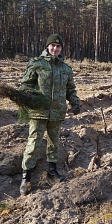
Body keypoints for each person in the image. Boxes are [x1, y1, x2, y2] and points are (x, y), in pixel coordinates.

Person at [18, 34, 80, 196]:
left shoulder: (65, 69)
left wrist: (75, 102)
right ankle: (26, 177)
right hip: (38, 112)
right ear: (47, 47)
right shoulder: (36, 64)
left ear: (61, 49)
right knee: (34, 143)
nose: (55, 48)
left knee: (54, 143)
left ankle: (52, 172)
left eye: (58, 46)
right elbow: (25, 85)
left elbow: (70, 89)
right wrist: (29, 98)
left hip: (57, 112)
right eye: (52, 45)